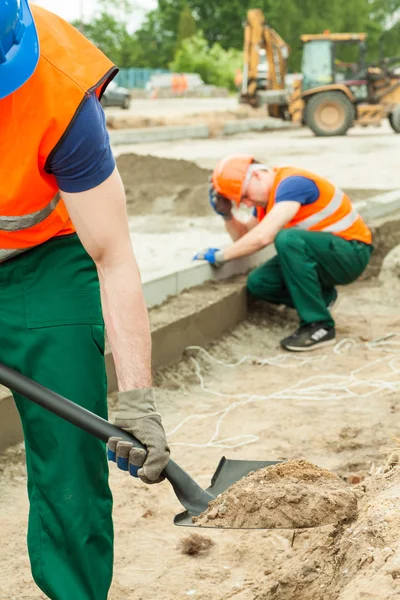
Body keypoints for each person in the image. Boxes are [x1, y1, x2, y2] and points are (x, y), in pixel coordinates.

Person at [0, 2, 170, 599]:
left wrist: (138, 399)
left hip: (42, 262)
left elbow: (113, 255)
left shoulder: (60, 92)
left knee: (70, 452)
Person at [194, 154, 373, 351]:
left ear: (258, 176)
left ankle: (319, 325)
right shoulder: (267, 202)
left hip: (351, 253)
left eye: (244, 196)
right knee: (259, 283)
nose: (245, 203)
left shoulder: (292, 184)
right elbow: (245, 238)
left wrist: (221, 256)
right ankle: (323, 298)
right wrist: (227, 216)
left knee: (287, 239)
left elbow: (263, 237)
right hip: (326, 256)